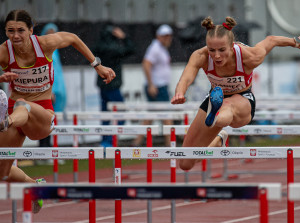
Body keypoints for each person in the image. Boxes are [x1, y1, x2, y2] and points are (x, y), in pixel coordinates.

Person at [0, 10, 115, 213]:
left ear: (31, 30)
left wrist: (97, 65)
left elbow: (72, 38)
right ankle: (36, 185)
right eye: (10, 31)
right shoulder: (3, 51)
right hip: (14, 114)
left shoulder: (44, 44)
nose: (15, 36)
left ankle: (5, 122)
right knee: (2, 173)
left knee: (22, 105)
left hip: (41, 115)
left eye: (20, 30)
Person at [171, 16, 300, 171]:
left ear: (232, 46)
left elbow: (271, 40)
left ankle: (215, 116)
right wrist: (179, 92)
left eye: (222, 50)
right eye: (212, 50)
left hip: (242, 100)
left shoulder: (249, 56)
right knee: (186, 162)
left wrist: (294, 41)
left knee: (227, 106)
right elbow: (187, 76)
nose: (217, 56)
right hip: (215, 97)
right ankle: (218, 138)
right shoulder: (200, 56)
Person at [132, 24, 174, 147]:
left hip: (159, 86)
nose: (168, 39)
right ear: (159, 36)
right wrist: (151, 84)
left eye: (169, 36)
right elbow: (146, 64)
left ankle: (136, 142)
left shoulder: (160, 48)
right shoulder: (155, 48)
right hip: (157, 87)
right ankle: (170, 145)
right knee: (166, 117)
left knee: (150, 116)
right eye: (165, 36)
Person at [94, 24, 135, 147]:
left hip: (102, 85)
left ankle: (105, 141)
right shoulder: (115, 48)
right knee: (121, 114)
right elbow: (132, 49)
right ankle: (110, 141)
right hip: (113, 85)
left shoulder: (98, 47)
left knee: (105, 115)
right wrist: (124, 37)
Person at [38, 23, 67, 159]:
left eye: (53, 32)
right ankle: (43, 152)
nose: (51, 35)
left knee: (52, 122)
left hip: (57, 90)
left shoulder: (56, 50)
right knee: (45, 121)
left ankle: (48, 151)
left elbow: (57, 72)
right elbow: (45, 72)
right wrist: (50, 91)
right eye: (49, 32)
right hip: (48, 91)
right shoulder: (42, 50)